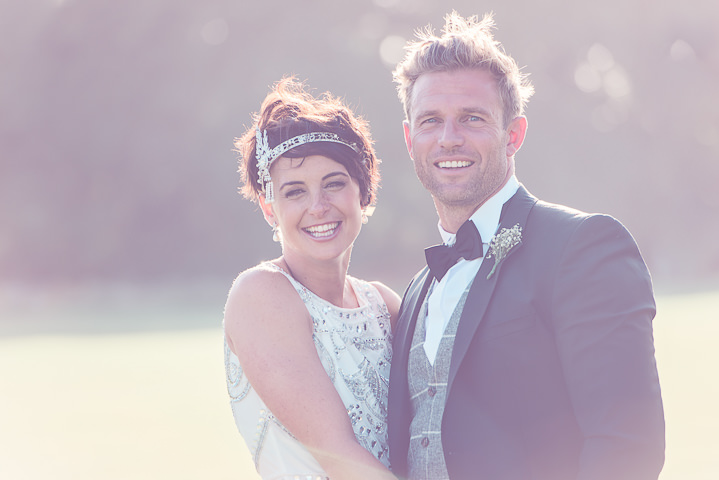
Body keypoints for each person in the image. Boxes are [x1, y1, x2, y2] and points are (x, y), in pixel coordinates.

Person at [386, 12, 665, 480]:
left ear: (513, 135)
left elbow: (627, 449)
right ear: (410, 138)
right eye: (430, 121)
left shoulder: (583, 247)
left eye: (471, 119)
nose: (449, 137)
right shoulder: (417, 291)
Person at [224, 77, 400, 480]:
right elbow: (337, 455)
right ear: (270, 210)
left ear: (364, 192)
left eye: (334, 184)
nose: (318, 207)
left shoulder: (385, 306)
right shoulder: (261, 294)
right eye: (295, 192)